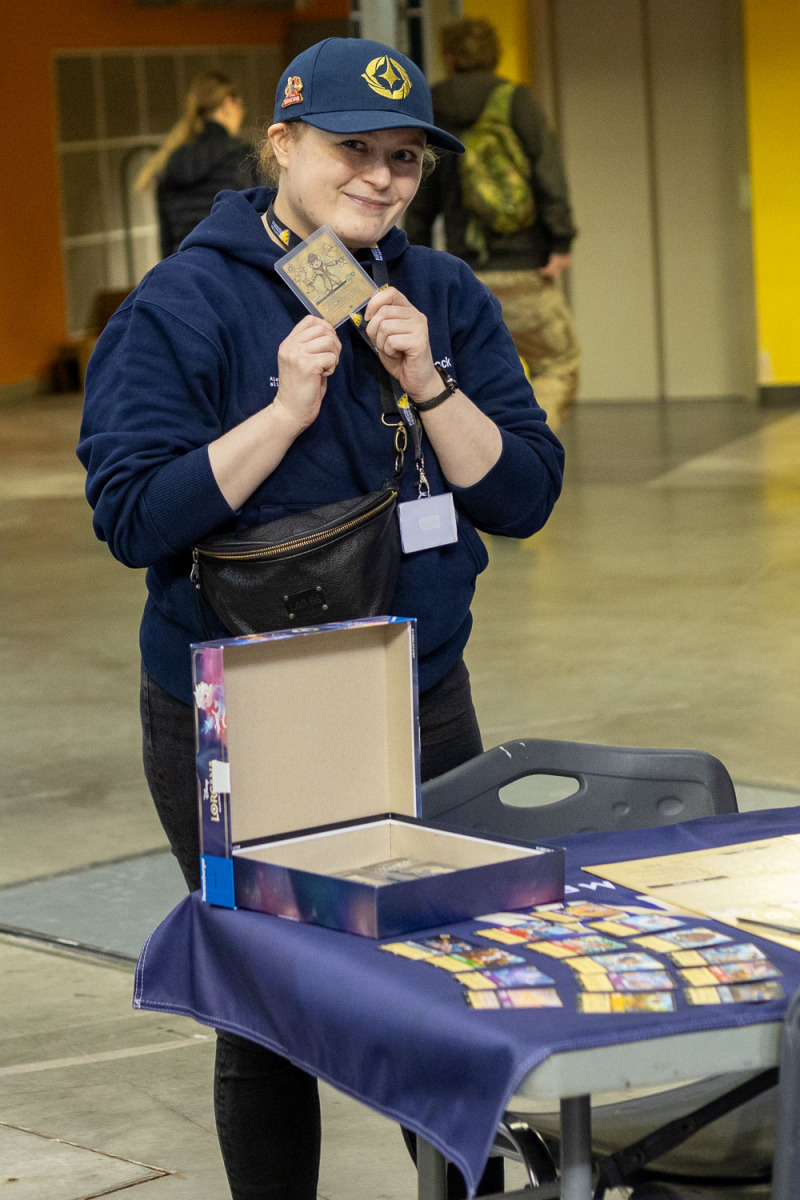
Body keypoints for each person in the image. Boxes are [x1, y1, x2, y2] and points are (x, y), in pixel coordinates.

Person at [78, 36, 564, 1200]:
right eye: (353, 149)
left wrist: (429, 383)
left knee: (444, 990)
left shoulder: (438, 294)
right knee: (268, 1007)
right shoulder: (182, 305)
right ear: (282, 145)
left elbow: (524, 496)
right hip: (245, 708)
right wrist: (282, 414)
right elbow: (134, 516)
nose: (380, 177)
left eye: (404, 158)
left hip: (416, 693)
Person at [405, 18, 579, 431]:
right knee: (558, 362)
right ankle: (525, 446)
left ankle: (479, 449)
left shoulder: (432, 106)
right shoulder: (516, 101)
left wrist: (414, 264)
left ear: (448, 56)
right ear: (495, 55)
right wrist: (560, 242)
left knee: (464, 375)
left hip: (463, 274)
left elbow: (420, 197)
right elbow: (548, 173)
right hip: (525, 268)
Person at [135, 69, 257, 257]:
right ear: (228, 105)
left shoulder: (170, 162)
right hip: (230, 268)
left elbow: (166, 244)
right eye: (240, 105)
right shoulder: (244, 157)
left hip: (186, 268)